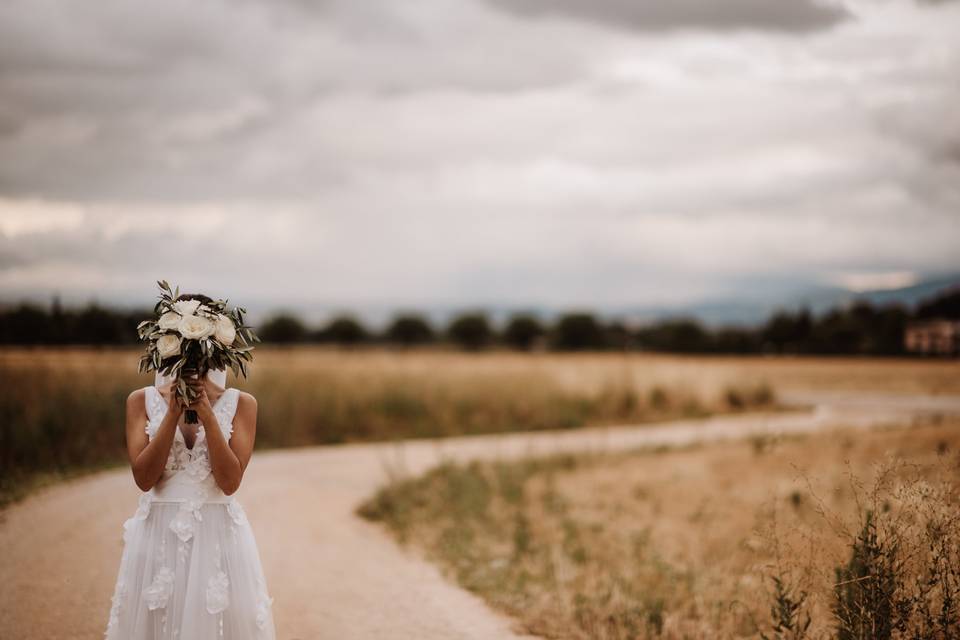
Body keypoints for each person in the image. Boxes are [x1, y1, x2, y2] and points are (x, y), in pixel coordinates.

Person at [104, 295, 275, 639]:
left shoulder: (242, 404)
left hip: (219, 538)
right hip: (159, 536)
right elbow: (144, 478)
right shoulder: (140, 401)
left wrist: (208, 415)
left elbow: (229, 483)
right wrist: (171, 413)